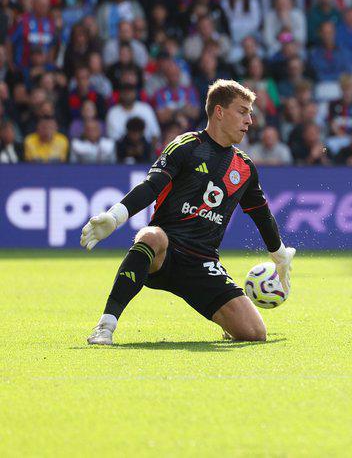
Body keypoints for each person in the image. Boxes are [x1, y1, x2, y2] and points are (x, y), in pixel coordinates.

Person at [79, 80, 297, 344]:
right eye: (242, 111)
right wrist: (115, 217)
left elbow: (262, 215)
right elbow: (150, 188)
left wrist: (280, 255)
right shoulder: (186, 146)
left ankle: (225, 319)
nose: (249, 120)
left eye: (250, 113)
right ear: (219, 112)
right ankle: (105, 326)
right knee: (150, 235)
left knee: (254, 334)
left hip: (204, 263)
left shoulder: (244, 167)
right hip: (166, 252)